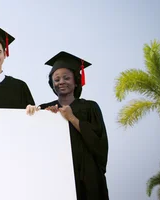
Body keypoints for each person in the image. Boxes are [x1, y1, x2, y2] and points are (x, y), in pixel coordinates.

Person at [37, 51, 109, 200]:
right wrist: (47, 118)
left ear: (76, 81)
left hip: (88, 175)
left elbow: (100, 143)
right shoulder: (45, 108)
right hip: (57, 174)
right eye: (56, 79)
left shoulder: (90, 107)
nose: (61, 82)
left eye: (66, 78)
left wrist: (71, 117)